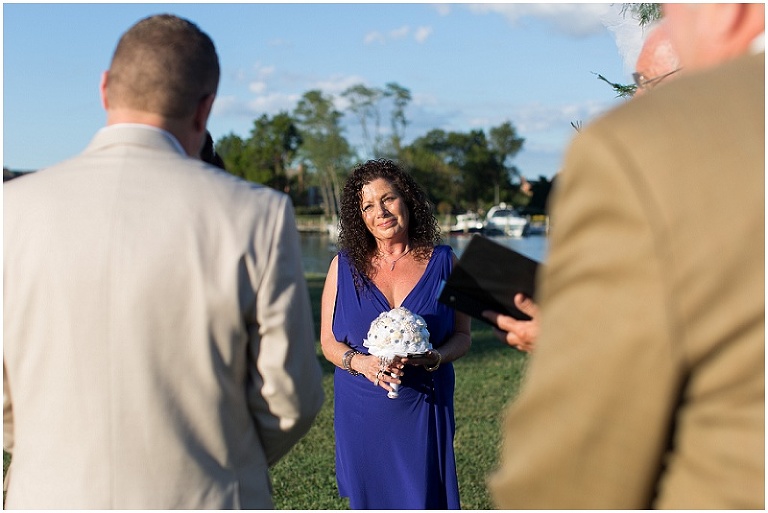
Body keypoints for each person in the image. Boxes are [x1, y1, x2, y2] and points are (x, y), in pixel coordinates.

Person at [3, 14, 324, 509]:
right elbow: (289, 398)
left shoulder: (12, 210)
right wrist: (222, 462)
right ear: (205, 109)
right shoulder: (255, 214)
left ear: (105, 89)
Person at [489, 3, 764, 509]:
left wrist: (573, 341)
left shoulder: (646, 148)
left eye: (649, 86)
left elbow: (572, 473)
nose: (636, 102)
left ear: (729, 10)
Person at [320, 158, 471, 509]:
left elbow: (463, 336)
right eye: (368, 206)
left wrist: (436, 357)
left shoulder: (448, 262)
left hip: (424, 406)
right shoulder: (342, 266)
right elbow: (328, 343)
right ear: (359, 216)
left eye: (388, 199)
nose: (380, 212)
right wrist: (361, 363)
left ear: (407, 200)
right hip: (362, 411)